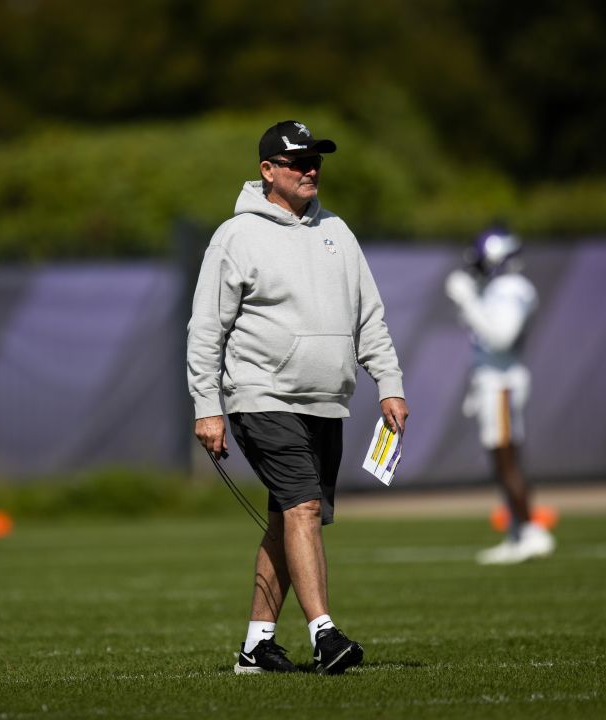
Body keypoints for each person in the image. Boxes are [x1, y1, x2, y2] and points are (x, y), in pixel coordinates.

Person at [187, 120, 410, 675]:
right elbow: (204, 330)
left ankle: (256, 647)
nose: (310, 169)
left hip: (327, 401)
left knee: (289, 516)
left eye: (316, 159)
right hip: (261, 395)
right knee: (303, 507)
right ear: (268, 172)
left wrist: (390, 384)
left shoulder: (339, 231)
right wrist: (207, 406)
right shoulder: (235, 237)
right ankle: (324, 634)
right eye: (296, 161)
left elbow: (370, 318)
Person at [444, 223, 555, 565]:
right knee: (501, 460)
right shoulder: (501, 288)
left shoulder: (511, 288)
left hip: (503, 382)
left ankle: (532, 532)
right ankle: (517, 532)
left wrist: (469, 301)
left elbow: (501, 337)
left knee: (507, 460)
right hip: (493, 381)